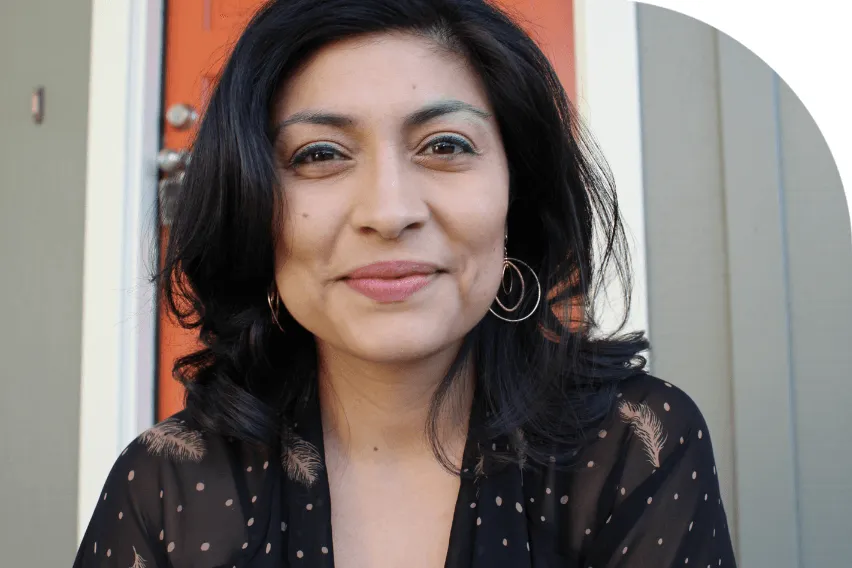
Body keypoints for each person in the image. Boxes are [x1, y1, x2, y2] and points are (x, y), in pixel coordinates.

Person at [73, 0, 737, 566]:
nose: (389, 212)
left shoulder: (635, 445)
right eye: (320, 154)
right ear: (252, 210)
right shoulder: (165, 487)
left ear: (517, 192)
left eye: (445, 145)